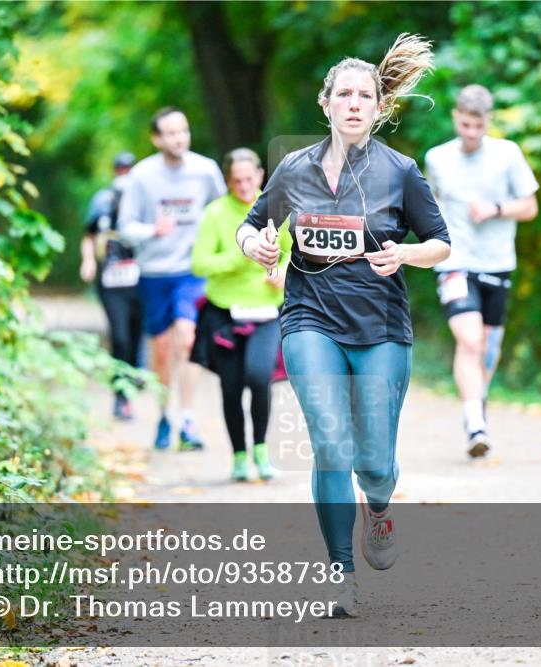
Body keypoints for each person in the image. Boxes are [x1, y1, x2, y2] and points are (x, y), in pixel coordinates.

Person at [236, 34, 451, 617]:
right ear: (325, 104)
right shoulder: (293, 168)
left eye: (366, 95)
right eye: (344, 94)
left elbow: (441, 244)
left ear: (378, 109)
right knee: (330, 445)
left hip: (380, 324)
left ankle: (377, 508)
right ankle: (340, 574)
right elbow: (253, 224)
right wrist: (256, 242)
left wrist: (405, 255)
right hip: (310, 316)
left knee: (373, 464)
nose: (354, 103)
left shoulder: (400, 171)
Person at [424, 85, 539, 458]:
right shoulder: (437, 158)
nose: (471, 133)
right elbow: (432, 205)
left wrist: (495, 209)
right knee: (469, 341)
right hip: (455, 262)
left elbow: (530, 206)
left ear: (488, 121)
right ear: (455, 117)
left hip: (497, 262)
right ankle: (475, 423)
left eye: (478, 126)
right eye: (464, 124)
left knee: (488, 349)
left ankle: (477, 402)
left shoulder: (508, 155)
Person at [117, 108, 227, 450]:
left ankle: (188, 419)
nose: (179, 138)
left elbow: (222, 211)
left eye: (183, 131)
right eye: (171, 133)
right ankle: (164, 415)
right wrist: (153, 230)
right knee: (162, 350)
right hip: (154, 273)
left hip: (193, 270)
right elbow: (125, 227)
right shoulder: (141, 176)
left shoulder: (205, 170)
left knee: (188, 338)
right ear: (156, 138)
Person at [191, 148, 291, 482]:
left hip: (266, 311)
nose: (245, 186)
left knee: (259, 376)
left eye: (250, 179)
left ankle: (261, 449)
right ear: (227, 181)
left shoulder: (276, 209)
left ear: (261, 176)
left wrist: (281, 272)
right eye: (237, 181)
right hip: (224, 313)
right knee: (231, 387)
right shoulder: (216, 213)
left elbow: (294, 254)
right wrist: (238, 257)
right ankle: (238, 455)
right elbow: (200, 263)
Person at [80, 151, 144, 421]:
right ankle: (121, 396)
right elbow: (89, 234)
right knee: (120, 336)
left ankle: (134, 375)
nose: (124, 174)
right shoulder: (102, 201)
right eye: (120, 169)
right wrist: (87, 262)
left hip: (140, 278)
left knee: (137, 335)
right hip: (111, 279)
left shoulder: (144, 199)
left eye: (129, 169)